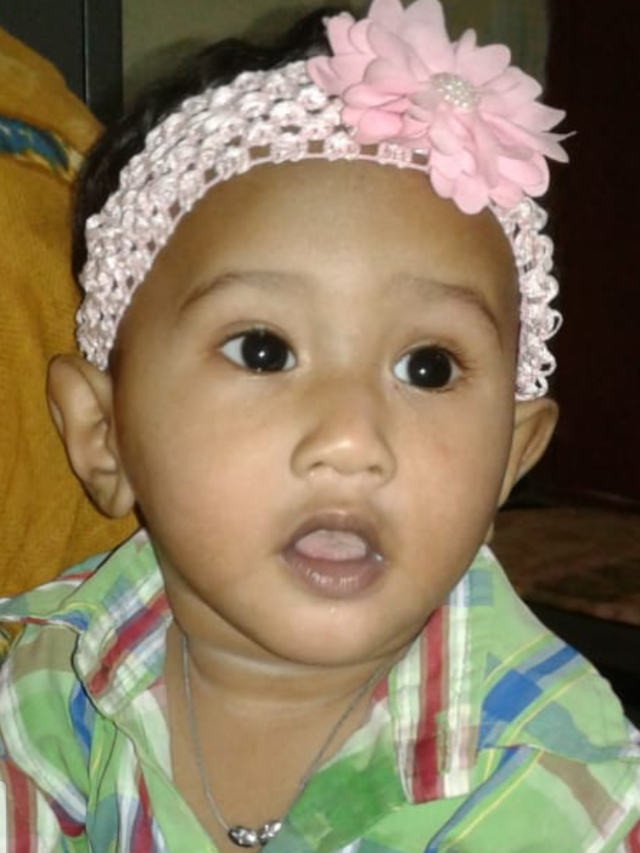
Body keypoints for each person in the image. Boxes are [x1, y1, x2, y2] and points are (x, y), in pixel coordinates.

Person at [1, 1, 638, 850]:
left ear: (510, 459)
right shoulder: (48, 676)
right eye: (263, 350)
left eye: (428, 367)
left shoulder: (560, 786)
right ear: (102, 431)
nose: (351, 439)